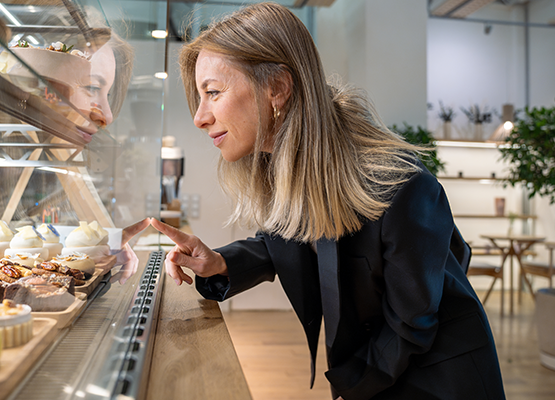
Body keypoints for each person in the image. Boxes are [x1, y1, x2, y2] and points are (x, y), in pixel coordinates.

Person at [150, 3, 505, 399]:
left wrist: (353, 386)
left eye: (212, 92)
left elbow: (413, 322)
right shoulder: (294, 167)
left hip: (438, 381)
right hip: (381, 369)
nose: (200, 117)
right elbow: (286, 237)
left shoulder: (398, 183)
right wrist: (220, 262)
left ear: (278, 88)